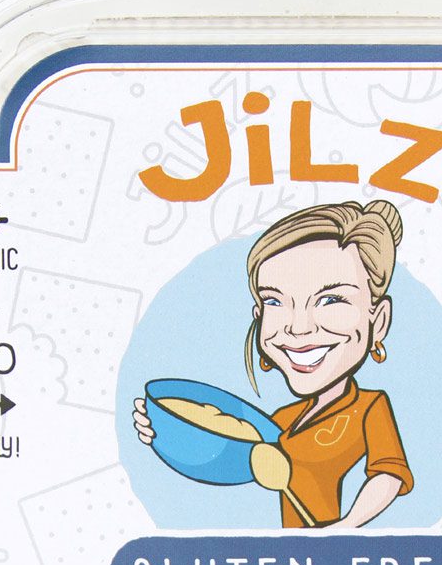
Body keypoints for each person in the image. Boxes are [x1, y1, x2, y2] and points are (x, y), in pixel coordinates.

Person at [134, 199, 413, 528]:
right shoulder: (281, 421)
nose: (298, 327)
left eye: (331, 299)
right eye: (274, 301)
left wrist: (344, 528)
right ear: (259, 316)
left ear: (378, 321)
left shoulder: (369, 407)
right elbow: (227, 457)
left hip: (331, 547)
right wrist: (167, 437)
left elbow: (388, 474)